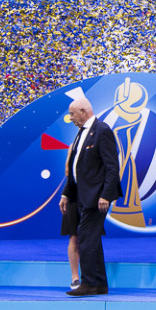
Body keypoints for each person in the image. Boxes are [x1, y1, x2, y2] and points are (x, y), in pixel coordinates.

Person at [59, 97, 122, 296]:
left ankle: (88, 282)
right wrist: (66, 193)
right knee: (90, 238)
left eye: (72, 114)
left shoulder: (102, 131)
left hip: (97, 197)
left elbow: (112, 166)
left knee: (86, 237)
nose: (70, 118)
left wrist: (106, 195)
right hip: (82, 196)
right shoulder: (81, 133)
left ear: (83, 111)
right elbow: (75, 168)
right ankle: (99, 284)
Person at [60, 148, 80, 290]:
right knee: (74, 237)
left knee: (91, 238)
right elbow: (68, 173)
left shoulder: (99, 142)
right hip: (74, 195)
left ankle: (91, 276)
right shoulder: (73, 147)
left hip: (92, 196)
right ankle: (75, 277)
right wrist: (65, 195)